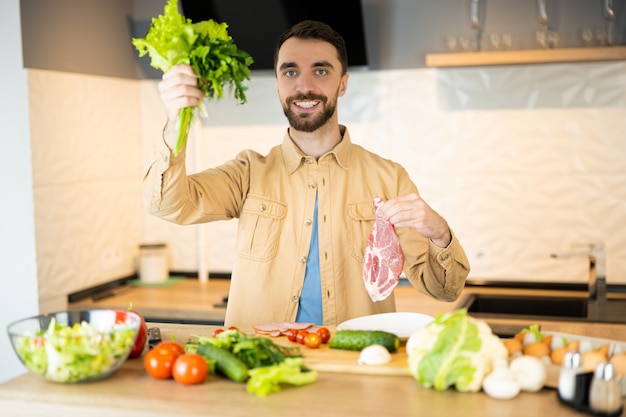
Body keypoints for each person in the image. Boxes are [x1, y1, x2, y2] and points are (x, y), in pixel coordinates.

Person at [143, 20, 470, 328]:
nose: (304, 86)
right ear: (277, 85)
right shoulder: (247, 173)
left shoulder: (390, 178)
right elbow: (168, 204)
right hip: (261, 366)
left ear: (342, 83)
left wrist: (440, 234)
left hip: (352, 365)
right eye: (290, 71)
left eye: (320, 70)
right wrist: (175, 121)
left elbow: (443, 290)